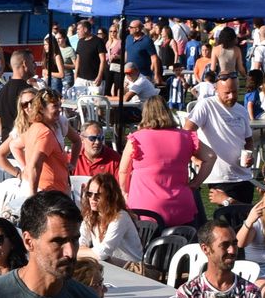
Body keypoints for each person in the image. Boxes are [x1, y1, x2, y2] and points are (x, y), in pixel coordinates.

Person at [118, 96, 213, 227]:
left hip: (144, 208)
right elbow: (211, 157)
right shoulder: (186, 136)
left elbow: (123, 171)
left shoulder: (136, 138)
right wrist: (195, 183)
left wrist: (124, 192)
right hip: (180, 206)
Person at [172, 220, 265, 298]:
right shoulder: (189, 293)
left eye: (234, 243)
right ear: (206, 249)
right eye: (225, 245)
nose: (232, 251)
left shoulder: (250, 292)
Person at [184, 73, 254, 207]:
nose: (232, 96)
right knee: (225, 222)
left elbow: (248, 139)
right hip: (220, 176)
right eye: (227, 93)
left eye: (235, 92)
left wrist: (250, 155)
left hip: (244, 175)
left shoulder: (241, 110)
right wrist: (196, 157)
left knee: (245, 221)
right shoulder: (206, 105)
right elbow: (187, 132)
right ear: (216, 89)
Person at [78, 173, 143, 264]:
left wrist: (79, 252)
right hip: (106, 264)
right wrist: (81, 250)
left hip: (131, 269)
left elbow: (103, 253)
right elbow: (80, 242)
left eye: (98, 195)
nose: (92, 198)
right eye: (89, 194)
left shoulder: (120, 217)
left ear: (110, 196)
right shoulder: (90, 215)